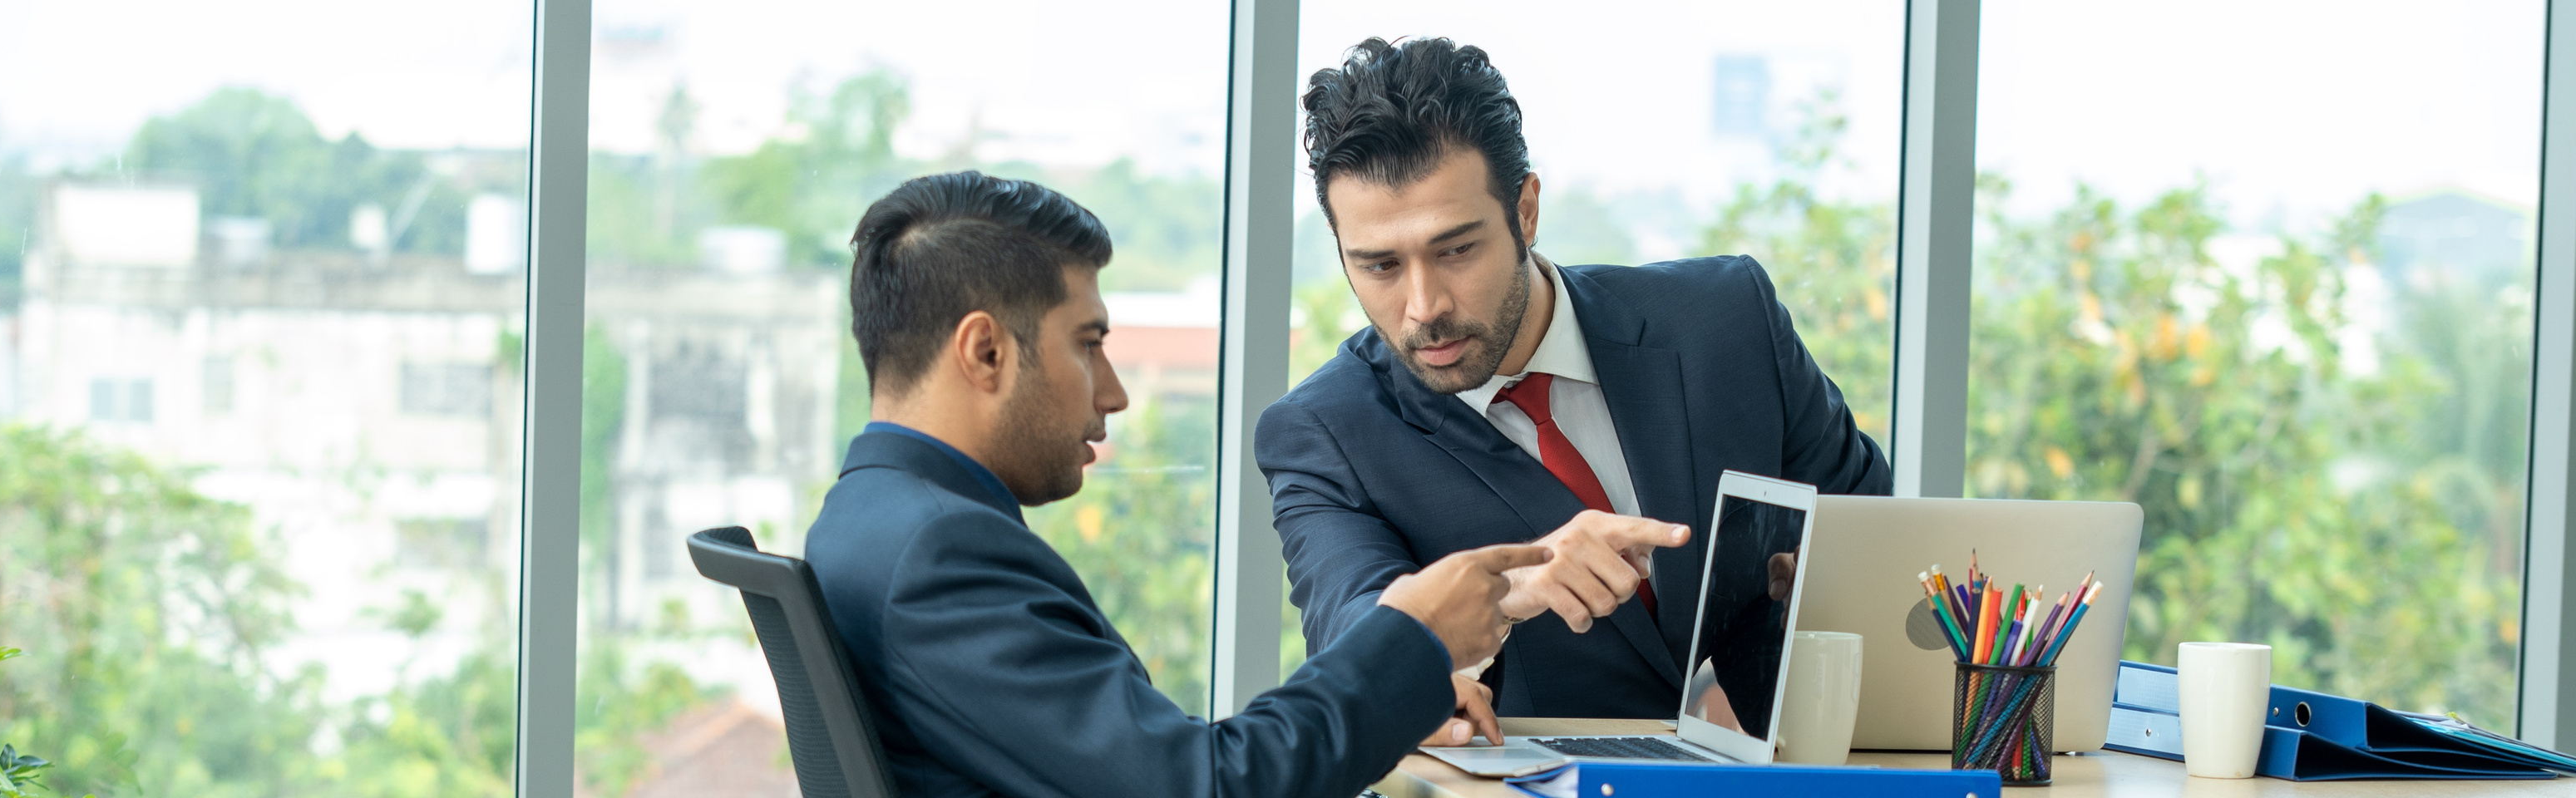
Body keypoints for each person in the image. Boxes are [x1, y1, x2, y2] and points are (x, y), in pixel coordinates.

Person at [804, 170, 1551, 798]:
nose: (1115, 393)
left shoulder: (861, 518)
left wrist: (1391, 697)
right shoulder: (945, 555)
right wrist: (1415, 636)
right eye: (1089, 345)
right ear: (986, 351)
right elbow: (1207, 787)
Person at [1259, 37, 1894, 742]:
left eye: (1457, 250)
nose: (1423, 306)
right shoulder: (1324, 432)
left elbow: (1871, 531)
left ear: (1525, 211)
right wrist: (1507, 595)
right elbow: (1358, 642)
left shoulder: (1728, 320)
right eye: (1378, 265)